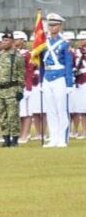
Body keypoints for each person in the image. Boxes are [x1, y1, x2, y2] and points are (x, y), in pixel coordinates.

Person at [39, 13, 74, 148]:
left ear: (60, 26)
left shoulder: (65, 44)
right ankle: (53, 137)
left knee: (61, 109)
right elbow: (41, 64)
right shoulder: (43, 43)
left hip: (60, 77)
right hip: (47, 77)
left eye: (54, 25)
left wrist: (69, 83)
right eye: (50, 25)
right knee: (51, 110)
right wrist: (41, 81)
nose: (51, 27)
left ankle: (62, 138)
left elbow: (68, 64)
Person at [0, 31, 25, 147]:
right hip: (0, 90)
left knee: (13, 115)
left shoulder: (17, 56)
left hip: (12, 89)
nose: (3, 43)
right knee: (2, 115)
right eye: (2, 40)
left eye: (6, 41)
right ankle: (5, 138)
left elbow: (21, 74)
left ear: (12, 42)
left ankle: (15, 139)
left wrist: (20, 90)